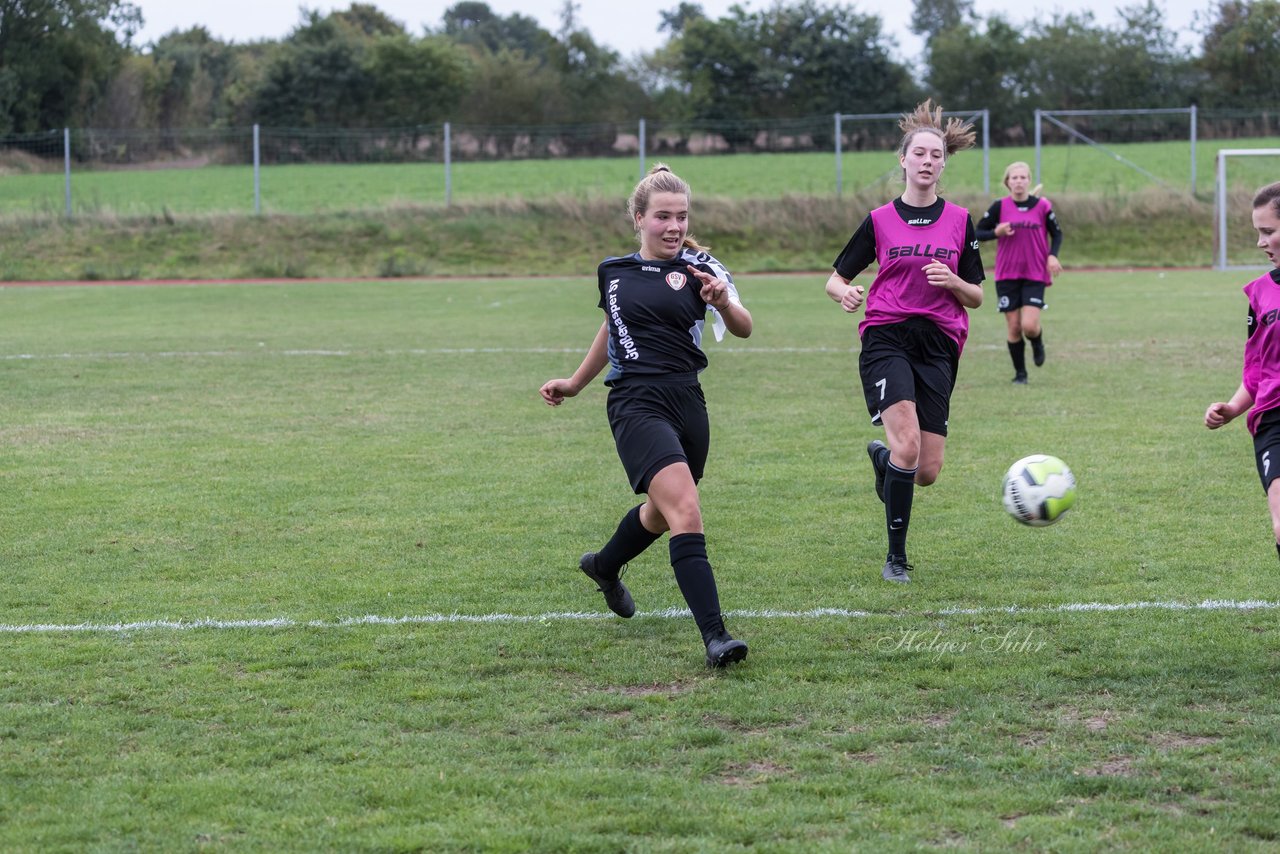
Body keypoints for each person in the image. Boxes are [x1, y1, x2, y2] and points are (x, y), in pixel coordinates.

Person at [539, 163, 754, 667]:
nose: (674, 226)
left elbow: (743, 327)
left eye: (681, 216)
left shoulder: (705, 268)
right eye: (663, 216)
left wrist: (721, 301)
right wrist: (574, 384)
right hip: (635, 402)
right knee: (686, 511)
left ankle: (605, 564)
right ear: (639, 218)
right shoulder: (613, 271)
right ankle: (716, 638)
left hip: (687, 400)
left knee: (662, 512)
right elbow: (611, 330)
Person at [823, 100, 985, 584]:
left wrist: (953, 281)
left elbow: (976, 295)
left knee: (927, 469)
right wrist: (846, 293)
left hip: (939, 343)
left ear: (942, 164)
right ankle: (896, 557)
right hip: (886, 335)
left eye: (937, 155)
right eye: (920, 153)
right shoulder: (879, 220)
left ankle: (883, 459)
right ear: (904, 160)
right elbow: (834, 279)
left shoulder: (959, 220)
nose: (929, 161)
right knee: (909, 446)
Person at [1204, 181, 1280, 564]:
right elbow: (1257, 370)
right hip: (1274, 421)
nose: (1261, 242)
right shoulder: (1260, 294)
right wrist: (1233, 408)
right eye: (1258, 233)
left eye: (1268, 232)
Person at [975, 162, 1064, 384]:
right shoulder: (999, 206)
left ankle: (1037, 341)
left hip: (1035, 273)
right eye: (1014, 178)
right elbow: (977, 232)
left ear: (1029, 180)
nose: (1019, 181)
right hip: (1007, 274)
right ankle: (1020, 375)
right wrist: (996, 231)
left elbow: (1057, 234)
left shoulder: (1042, 206)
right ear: (1008, 182)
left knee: (1029, 326)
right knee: (1014, 327)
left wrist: (1052, 255)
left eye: (1023, 177)